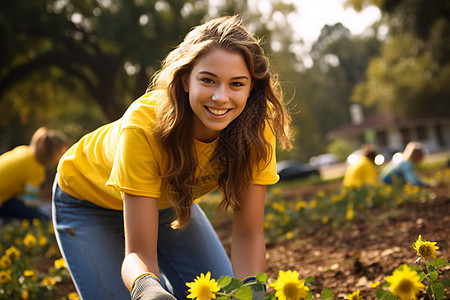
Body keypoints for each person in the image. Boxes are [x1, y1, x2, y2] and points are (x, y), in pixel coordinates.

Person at [52, 15, 292, 300]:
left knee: (219, 295)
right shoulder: (142, 128)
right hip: (86, 204)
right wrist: (148, 289)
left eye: (236, 84)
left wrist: (252, 294)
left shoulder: (257, 128)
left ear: (252, 86)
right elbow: (138, 253)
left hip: (167, 203)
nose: (220, 97)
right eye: (208, 80)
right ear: (186, 80)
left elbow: (249, 235)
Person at [0, 127, 69, 221]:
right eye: (62, 153)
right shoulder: (36, 168)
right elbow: (31, 202)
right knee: (42, 218)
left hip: (5, 197)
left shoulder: (23, 150)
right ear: (53, 153)